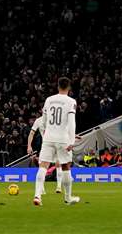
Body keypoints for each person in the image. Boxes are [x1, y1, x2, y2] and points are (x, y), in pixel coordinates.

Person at [27, 77, 81, 207]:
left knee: (43, 166)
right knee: (66, 166)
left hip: (48, 137)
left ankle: (37, 196)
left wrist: (47, 134)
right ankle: (68, 198)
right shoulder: (71, 101)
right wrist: (72, 140)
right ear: (69, 88)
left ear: (57, 87)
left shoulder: (49, 100)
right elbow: (71, 122)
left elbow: (44, 121)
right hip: (63, 138)